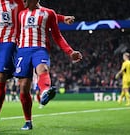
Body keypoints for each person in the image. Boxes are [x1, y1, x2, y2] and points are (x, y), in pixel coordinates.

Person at [0, 0, 73, 130]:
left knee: (1, 76)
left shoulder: (20, 3)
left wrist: (63, 18)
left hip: (9, 44)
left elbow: (40, 11)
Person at [14, 0, 82, 130]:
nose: (23, 1)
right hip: (23, 50)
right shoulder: (20, 13)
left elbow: (57, 36)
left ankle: (45, 92)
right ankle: (28, 121)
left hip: (40, 48)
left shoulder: (48, 13)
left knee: (43, 68)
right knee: (24, 87)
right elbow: (14, 31)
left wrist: (70, 52)